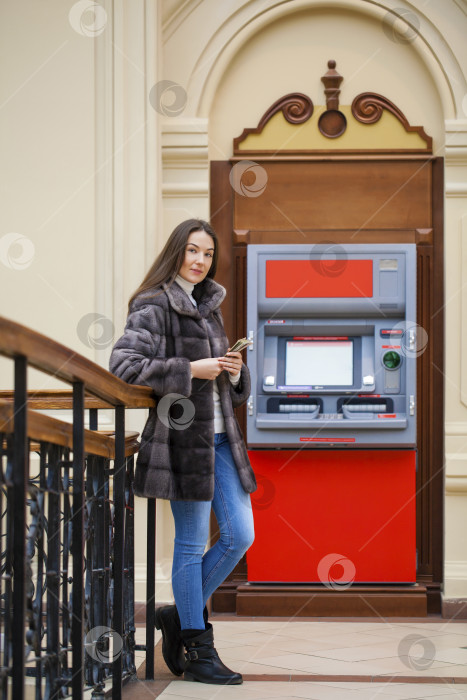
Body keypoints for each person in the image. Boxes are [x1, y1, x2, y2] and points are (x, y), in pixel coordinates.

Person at [109, 219, 256, 685]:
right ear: (176, 252)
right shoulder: (153, 304)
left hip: (221, 439)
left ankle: (176, 616)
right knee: (191, 543)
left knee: (240, 536)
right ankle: (197, 646)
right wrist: (189, 368)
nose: (199, 261)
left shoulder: (207, 307)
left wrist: (233, 371)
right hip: (182, 440)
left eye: (207, 254)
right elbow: (124, 367)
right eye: (192, 251)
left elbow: (226, 388)